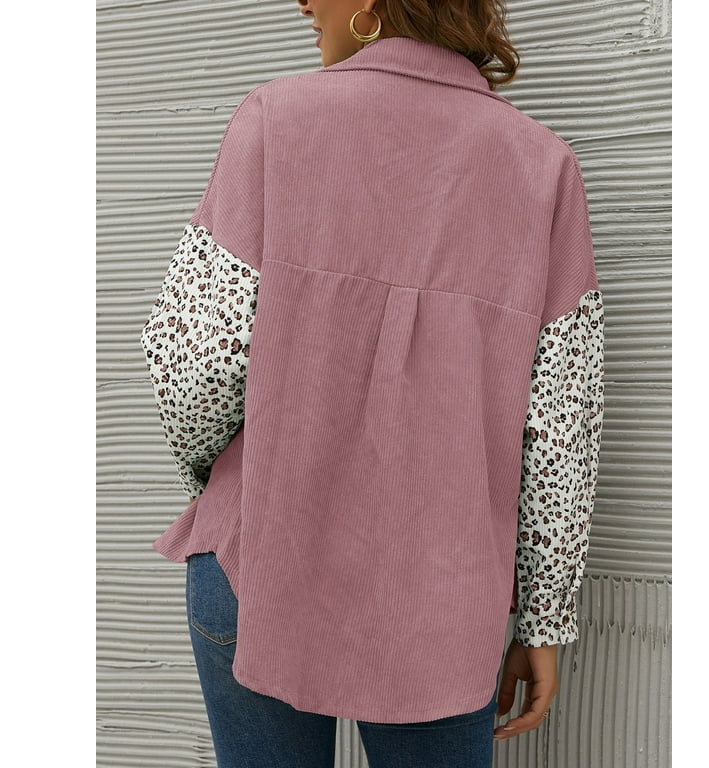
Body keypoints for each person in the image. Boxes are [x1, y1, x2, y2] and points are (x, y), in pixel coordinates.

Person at [140, 0, 605, 765]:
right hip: (444, 602)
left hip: (257, 566)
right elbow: (561, 428)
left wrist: (219, 478)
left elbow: (193, 366)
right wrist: (543, 618)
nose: (303, 2)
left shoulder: (274, 122)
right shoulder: (543, 168)